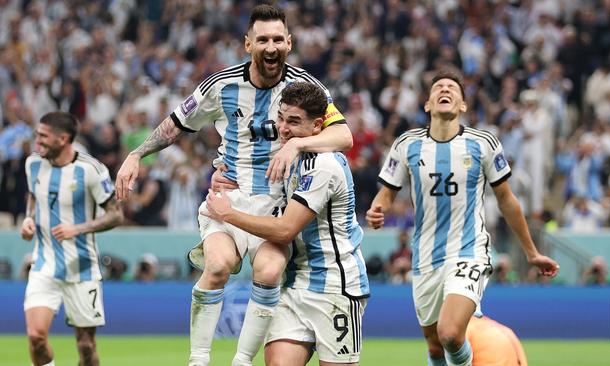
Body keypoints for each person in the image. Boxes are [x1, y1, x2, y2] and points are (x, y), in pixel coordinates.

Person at [114, 5, 352, 366]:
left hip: (275, 203)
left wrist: (296, 143)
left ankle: (241, 361)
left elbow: (343, 133)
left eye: (277, 39)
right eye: (262, 40)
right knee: (218, 267)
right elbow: (176, 123)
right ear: (247, 44)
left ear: (289, 42)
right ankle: (198, 360)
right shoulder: (221, 85)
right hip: (229, 195)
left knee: (270, 271)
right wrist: (136, 154)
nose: (270, 47)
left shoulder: (304, 87)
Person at [365, 68, 559, 366]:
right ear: (428, 104)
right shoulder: (407, 145)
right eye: (438, 87)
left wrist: (531, 252)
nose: (445, 90)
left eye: (452, 88)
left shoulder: (483, 143)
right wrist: (379, 208)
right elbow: (388, 193)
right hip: (426, 257)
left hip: (468, 251)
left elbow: (507, 200)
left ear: (463, 105)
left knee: (451, 334)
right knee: (435, 347)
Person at [202, 82, 369, 366]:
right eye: (281, 118)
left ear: (317, 126)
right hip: (293, 284)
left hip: (335, 288)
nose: (283, 128)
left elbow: (285, 230)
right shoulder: (289, 157)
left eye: (294, 122)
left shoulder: (325, 165)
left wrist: (227, 214)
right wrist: (225, 179)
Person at [20, 111, 124, 366]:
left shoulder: (91, 169)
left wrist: (77, 229)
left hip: (82, 270)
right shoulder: (32, 164)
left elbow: (115, 215)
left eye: (43, 136)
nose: (37, 141)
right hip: (44, 266)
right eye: (37, 135)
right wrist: (28, 218)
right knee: (36, 336)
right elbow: (34, 194)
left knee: (86, 347)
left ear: (63, 139)